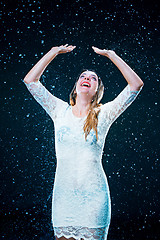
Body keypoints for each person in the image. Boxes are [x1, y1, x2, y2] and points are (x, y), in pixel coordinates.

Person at [23, 44, 144, 240]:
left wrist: (111, 55)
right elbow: (30, 81)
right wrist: (53, 52)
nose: (87, 78)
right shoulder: (58, 110)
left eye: (93, 78)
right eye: (83, 76)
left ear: (97, 90)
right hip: (64, 198)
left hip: (94, 198)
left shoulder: (103, 114)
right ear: (76, 86)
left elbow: (135, 86)